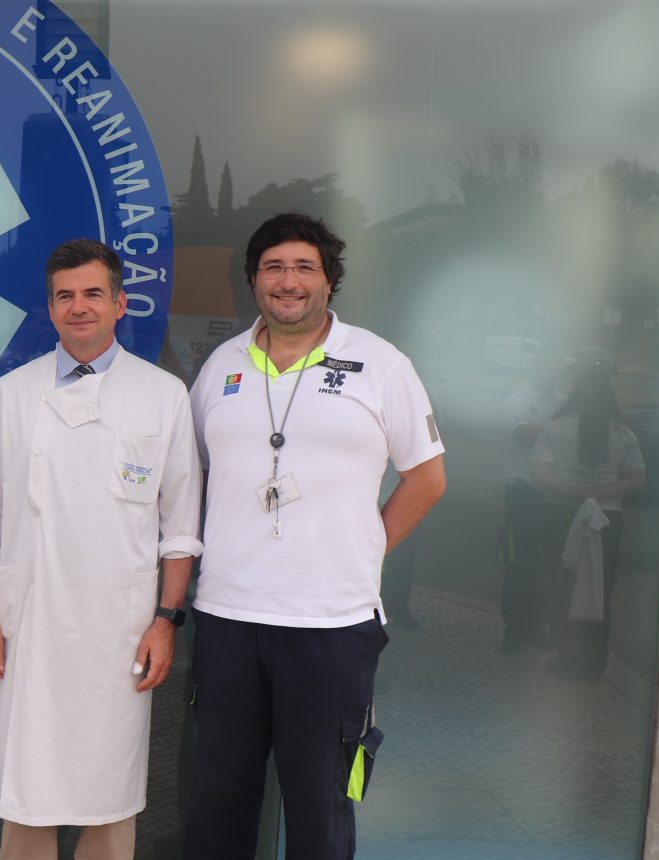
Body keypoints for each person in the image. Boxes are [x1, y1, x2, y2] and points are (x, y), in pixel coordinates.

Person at [184, 213, 446, 859]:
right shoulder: (220, 365)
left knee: (321, 804)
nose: (288, 281)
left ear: (330, 281)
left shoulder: (381, 364)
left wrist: (360, 549)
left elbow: (426, 479)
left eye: (305, 267)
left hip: (331, 625)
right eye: (273, 267)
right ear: (253, 280)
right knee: (218, 799)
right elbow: (196, 474)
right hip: (227, 618)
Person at [0, 239, 203, 860]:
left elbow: (179, 531)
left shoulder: (163, 394)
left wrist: (165, 621)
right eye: (65, 296)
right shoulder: (13, 393)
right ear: (50, 308)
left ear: (120, 304)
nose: (79, 307)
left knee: (109, 790)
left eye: (94, 293)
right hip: (30, 625)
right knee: (30, 785)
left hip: (119, 632)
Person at [531, 360, 645, 681]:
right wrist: (599, 492)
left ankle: (567, 657)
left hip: (561, 513)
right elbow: (637, 478)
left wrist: (575, 491)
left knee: (561, 584)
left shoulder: (556, 427)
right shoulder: (622, 432)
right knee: (600, 588)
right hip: (606, 517)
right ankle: (595, 661)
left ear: (576, 391)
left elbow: (539, 474)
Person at [499, 351, 568, 653]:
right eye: (548, 368)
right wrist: (561, 432)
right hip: (523, 489)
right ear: (536, 370)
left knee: (545, 562)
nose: (553, 375)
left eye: (557, 369)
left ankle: (537, 627)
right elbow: (522, 432)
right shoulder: (517, 399)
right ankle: (514, 630)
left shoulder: (563, 400)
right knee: (520, 561)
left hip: (554, 491)